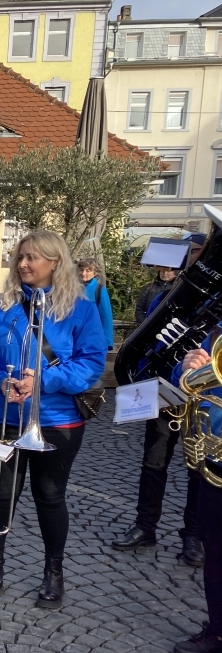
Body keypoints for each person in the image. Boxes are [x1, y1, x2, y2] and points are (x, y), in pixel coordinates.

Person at [0, 231, 106, 608]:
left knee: (50, 495)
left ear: (55, 262)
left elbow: (91, 363)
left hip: (56, 419)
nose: (23, 263)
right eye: (21, 257)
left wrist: (43, 379)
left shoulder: (80, 308)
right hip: (2, 415)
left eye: (32, 257)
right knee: (2, 493)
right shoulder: (2, 306)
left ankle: (53, 572)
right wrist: (0, 381)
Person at [111, 231, 208, 565]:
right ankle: (145, 525)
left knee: (199, 468)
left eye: (198, 250)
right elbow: (147, 338)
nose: (193, 256)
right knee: (154, 461)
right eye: (190, 251)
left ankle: (194, 536)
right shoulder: (168, 295)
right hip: (165, 387)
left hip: (203, 394)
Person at [172, 332, 222, 653]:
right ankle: (217, 629)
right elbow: (188, 379)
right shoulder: (219, 329)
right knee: (215, 550)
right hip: (216, 457)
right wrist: (186, 366)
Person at [77, 258, 114, 350]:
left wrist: (106, 341)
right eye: (81, 270)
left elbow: (106, 317)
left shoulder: (99, 290)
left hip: (92, 338)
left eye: (88, 270)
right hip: (73, 337)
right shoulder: (71, 288)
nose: (83, 273)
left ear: (95, 273)